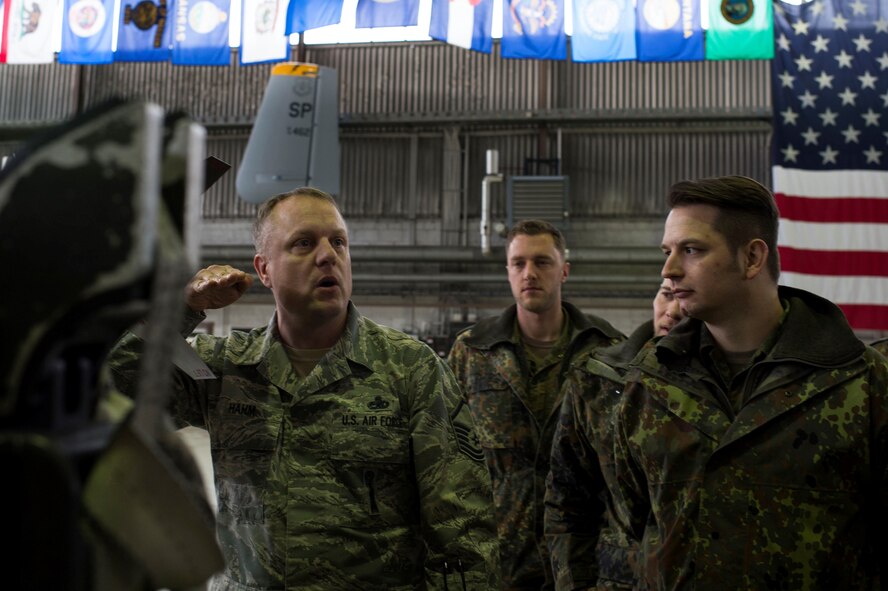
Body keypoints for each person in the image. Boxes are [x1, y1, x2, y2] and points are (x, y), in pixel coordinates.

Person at [108, 187, 501, 590]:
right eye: (303, 243)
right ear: (264, 270)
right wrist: (181, 308)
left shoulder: (411, 369)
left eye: (339, 242)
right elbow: (114, 392)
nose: (328, 254)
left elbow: (463, 528)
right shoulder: (228, 367)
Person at [610, 175, 888, 589]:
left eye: (692, 250)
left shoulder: (862, 382)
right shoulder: (649, 380)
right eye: (668, 251)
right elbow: (629, 524)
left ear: (753, 258)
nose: (668, 270)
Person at [447, 219, 625, 590]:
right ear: (508, 271)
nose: (530, 273)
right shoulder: (472, 351)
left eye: (542, 262)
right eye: (519, 263)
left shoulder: (609, 351)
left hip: (585, 559)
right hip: (498, 557)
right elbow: (449, 460)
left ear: (564, 271)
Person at [544, 280, 684, 590]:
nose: (672, 311)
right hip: (617, 578)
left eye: (683, 299)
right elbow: (567, 500)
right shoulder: (600, 380)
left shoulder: (726, 388)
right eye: (666, 294)